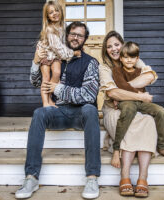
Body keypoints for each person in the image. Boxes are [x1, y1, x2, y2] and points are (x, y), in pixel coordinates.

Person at [15, 22, 101, 199]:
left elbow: (88, 96)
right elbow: (37, 82)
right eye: (72, 34)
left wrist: (58, 89)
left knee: (91, 110)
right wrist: (35, 61)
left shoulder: (91, 63)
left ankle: (92, 177)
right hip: (58, 111)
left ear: (85, 39)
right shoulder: (56, 59)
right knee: (39, 113)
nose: (75, 38)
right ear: (66, 35)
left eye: (80, 35)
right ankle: (31, 177)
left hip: (80, 114)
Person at [99, 31, 164, 197]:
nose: (114, 49)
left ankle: (143, 178)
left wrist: (124, 89)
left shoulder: (132, 57)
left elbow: (149, 76)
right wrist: (138, 95)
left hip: (136, 104)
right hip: (114, 108)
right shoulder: (105, 67)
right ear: (105, 49)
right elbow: (112, 94)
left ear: (122, 45)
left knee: (148, 120)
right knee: (131, 121)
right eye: (109, 46)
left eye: (116, 44)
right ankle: (124, 176)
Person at [36, 0, 79, 107]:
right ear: (48, 16)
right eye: (51, 12)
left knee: (56, 73)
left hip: (55, 56)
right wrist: (72, 53)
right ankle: (45, 102)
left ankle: (49, 97)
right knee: (45, 78)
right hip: (46, 54)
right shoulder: (49, 29)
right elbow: (58, 48)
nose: (54, 13)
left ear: (60, 11)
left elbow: (65, 43)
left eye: (56, 10)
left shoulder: (64, 26)